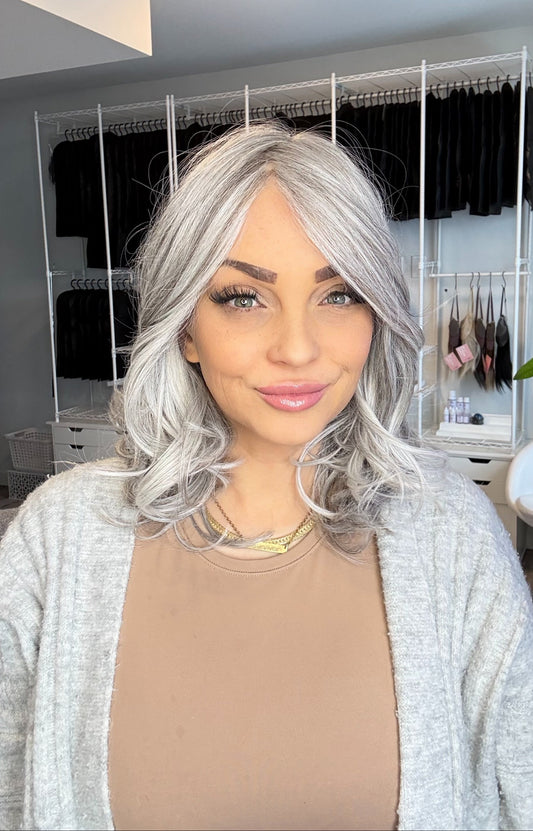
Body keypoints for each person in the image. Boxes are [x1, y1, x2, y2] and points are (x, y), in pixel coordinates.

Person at [1, 124, 532, 831]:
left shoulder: (451, 533)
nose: (297, 348)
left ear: (376, 314)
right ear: (185, 328)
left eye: (338, 294)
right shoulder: (57, 537)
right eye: (243, 297)